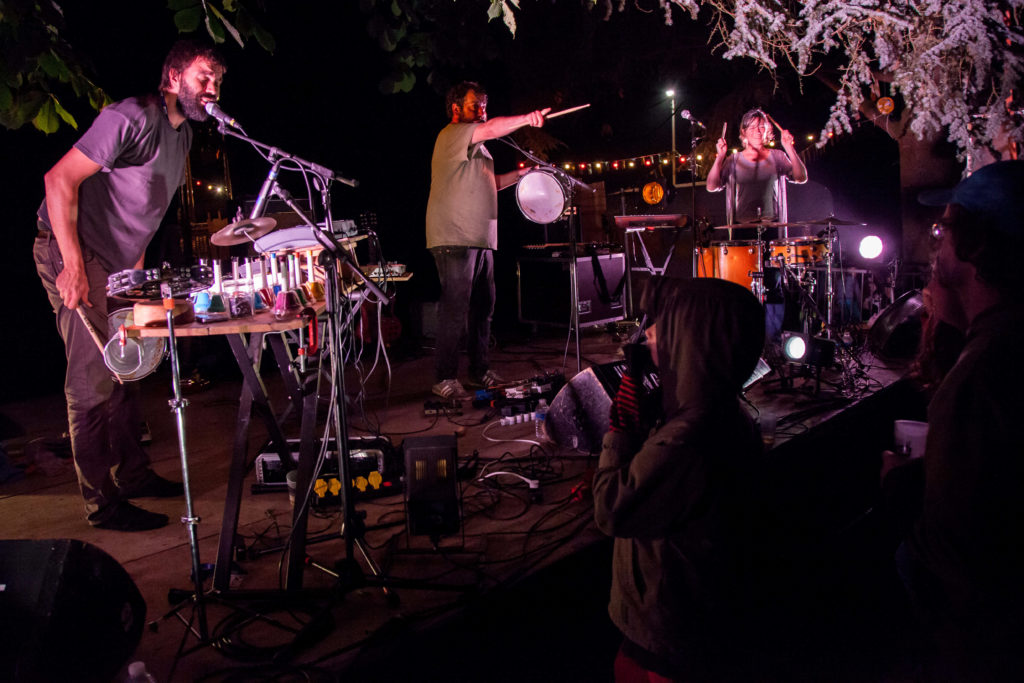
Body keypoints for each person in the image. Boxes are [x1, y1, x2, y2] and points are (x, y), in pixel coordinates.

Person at [32, 40, 227, 531]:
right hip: (74, 249)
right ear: (173, 77)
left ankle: (134, 476)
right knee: (91, 379)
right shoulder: (132, 116)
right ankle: (102, 504)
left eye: (219, 81)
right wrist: (73, 266)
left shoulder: (183, 136)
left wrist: (134, 279)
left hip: (117, 263)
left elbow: (145, 214)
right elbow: (58, 180)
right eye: (204, 77)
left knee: (128, 367)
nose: (213, 89)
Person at [885, 160, 1024, 680]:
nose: (935, 249)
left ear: (973, 245)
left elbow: (957, 559)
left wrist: (899, 490)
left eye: (943, 232)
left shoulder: (984, 376)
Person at [593, 278, 765, 681]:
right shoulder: (725, 413)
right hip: (688, 624)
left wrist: (621, 432)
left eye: (667, 322)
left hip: (668, 635)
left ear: (694, 340)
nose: (650, 332)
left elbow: (611, 509)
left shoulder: (686, 440)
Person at [425, 81, 550, 399]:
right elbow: (492, 128)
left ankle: (479, 371)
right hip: (455, 235)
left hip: (479, 237)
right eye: (474, 105)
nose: (481, 111)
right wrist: (528, 118)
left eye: (484, 105)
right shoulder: (453, 134)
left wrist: (521, 176)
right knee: (456, 307)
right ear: (456, 108)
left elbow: (489, 183)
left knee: (484, 306)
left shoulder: (478, 148)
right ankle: (444, 377)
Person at [706, 108, 808, 225]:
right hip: (743, 226)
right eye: (752, 127)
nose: (758, 131)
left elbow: (801, 178)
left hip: (773, 225)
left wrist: (789, 147)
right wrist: (720, 157)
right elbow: (711, 186)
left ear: (767, 129)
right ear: (744, 131)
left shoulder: (778, 156)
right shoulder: (733, 160)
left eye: (761, 126)